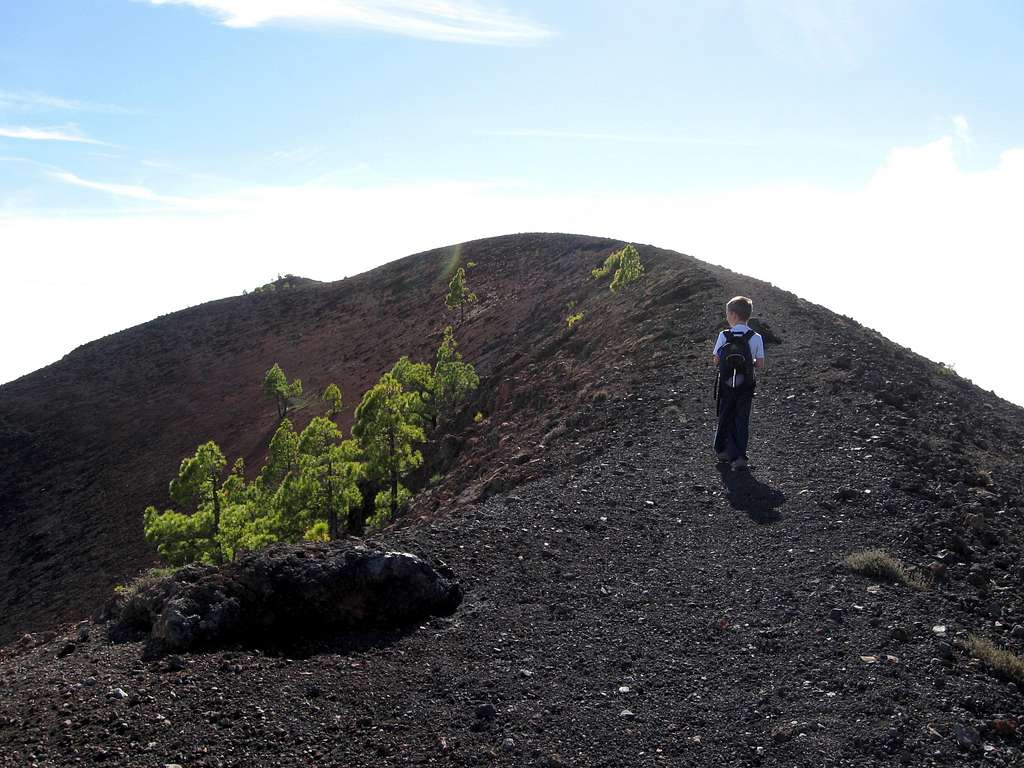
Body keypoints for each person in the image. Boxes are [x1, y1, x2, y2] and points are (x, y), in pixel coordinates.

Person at [712, 296, 765, 470]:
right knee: (741, 419)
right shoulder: (756, 337)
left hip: (726, 384)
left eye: (727, 313)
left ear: (733, 315)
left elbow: (716, 360)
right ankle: (739, 457)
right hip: (746, 385)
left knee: (725, 414)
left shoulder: (723, 335)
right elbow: (760, 364)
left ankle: (722, 451)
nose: (727, 317)